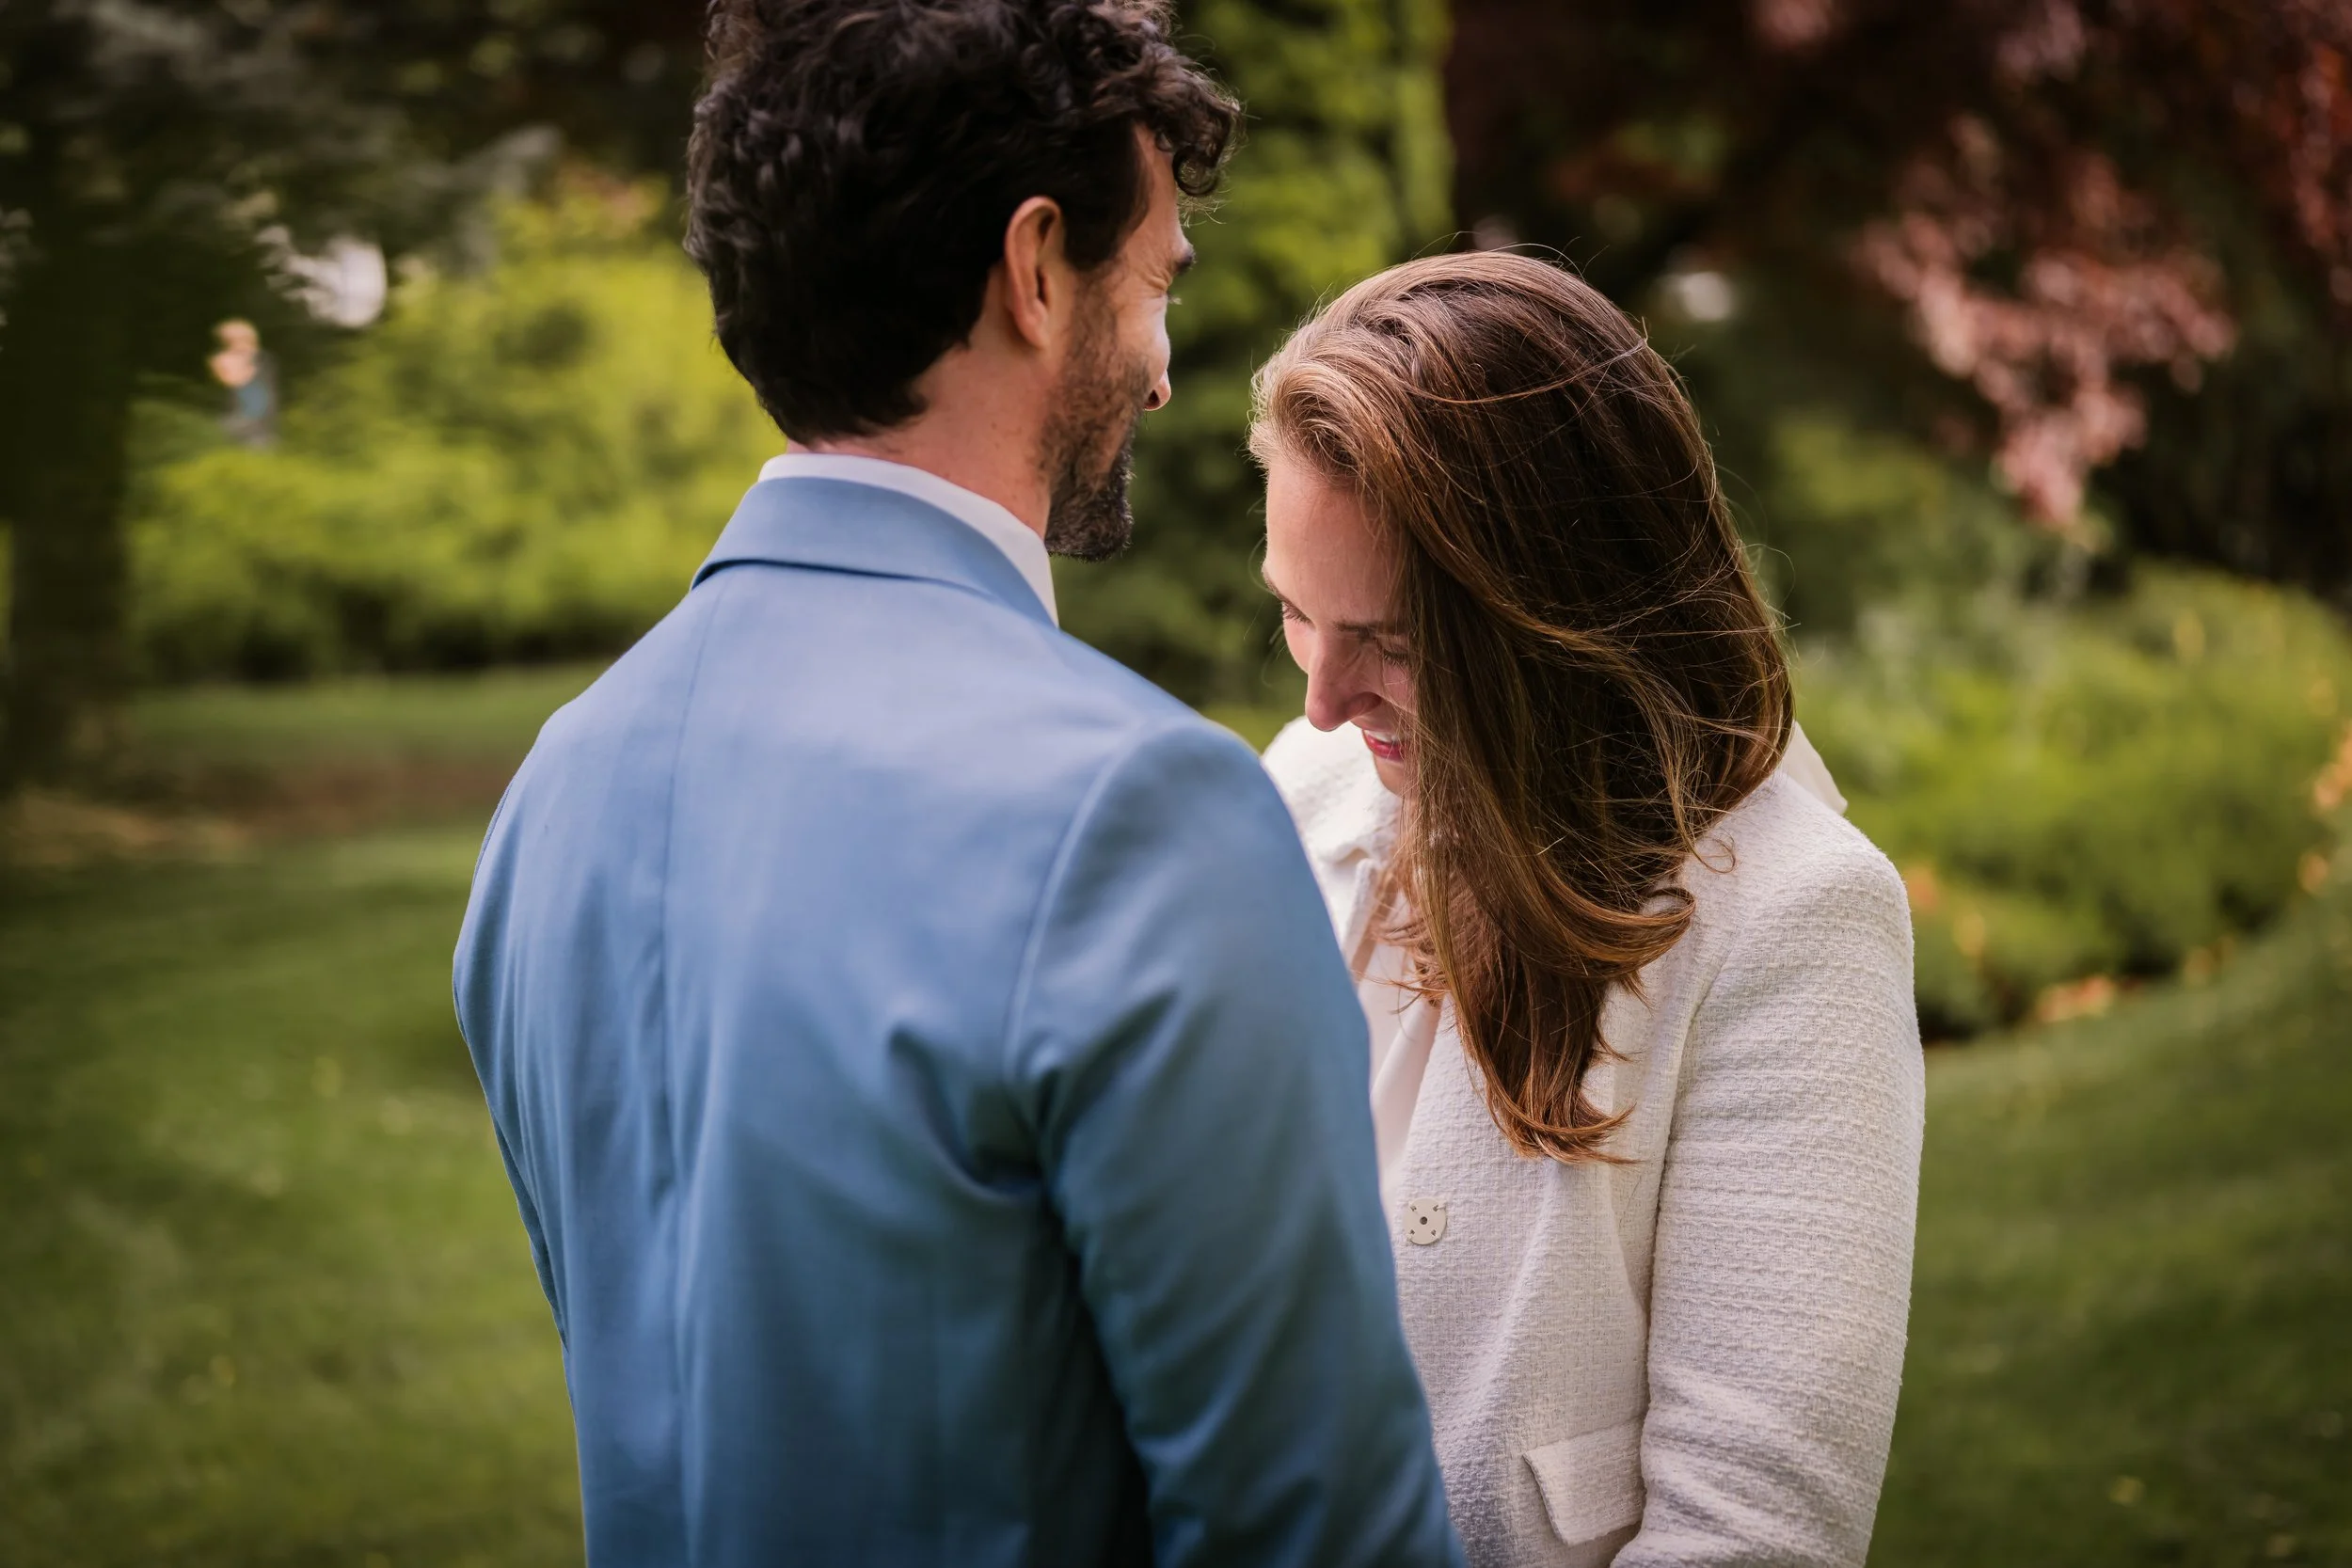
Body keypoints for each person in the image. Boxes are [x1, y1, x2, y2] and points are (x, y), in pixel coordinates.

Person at [452, 3, 1460, 1565]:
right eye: (1156, 285)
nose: (1164, 371)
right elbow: (1315, 1528)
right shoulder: (1144, 818)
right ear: (1039, 267)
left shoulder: (557, 790)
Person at [1253, 252, 1925, 1567]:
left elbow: (1754, 1532)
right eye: (1295, 613)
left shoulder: (1797, 919)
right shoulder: (1302, 792)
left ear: (1559, 612)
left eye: (1390, 638)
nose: (1326, 698)